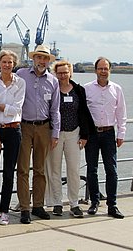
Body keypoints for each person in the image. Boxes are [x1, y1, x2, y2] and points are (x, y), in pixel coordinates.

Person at [16, 44, 60, 224]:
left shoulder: (53, 81)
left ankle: (38, 205)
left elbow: (55, 109)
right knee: (23, 169)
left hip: (44, 127)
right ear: (33, 58)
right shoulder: (21, 75)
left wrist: (55, 132)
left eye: (45, 58)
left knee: (40, 170)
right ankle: (24, 208)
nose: (42, 61)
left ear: (49, 61)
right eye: (39, 57)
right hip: (24, 127)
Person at [44, 60, 93, 218]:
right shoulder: (52, 89)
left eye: (65, 72)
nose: (63, 75)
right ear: (55, 74)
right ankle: (57, 202)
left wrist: (85, 135)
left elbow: (84, 113)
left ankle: (74, 203)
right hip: (55, 134)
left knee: (73, 169)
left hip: (74, 134)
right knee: (54, 169)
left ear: (70, 73)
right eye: (59, 73)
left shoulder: (79, 90)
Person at [0, 50, 25, 225]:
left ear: (14, 64)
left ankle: (5, 211)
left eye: (10, 62)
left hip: (14, 130)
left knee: (9, 173)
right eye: (4, 62)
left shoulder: (20, 83)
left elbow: (17, 109)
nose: (7, 65)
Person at [84, 57, 127, 219]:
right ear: (95, 70)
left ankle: (112, 205)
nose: (103, 71)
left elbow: (121, 113)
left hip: (109, 133)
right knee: (92, 169)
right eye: (100, 68)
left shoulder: (117, 89)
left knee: (111, 170)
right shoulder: (87, 89)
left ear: (110, 70)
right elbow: (82, 113)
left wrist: (121, 133)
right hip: (92, 134)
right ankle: (94, 202)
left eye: (106, 68)